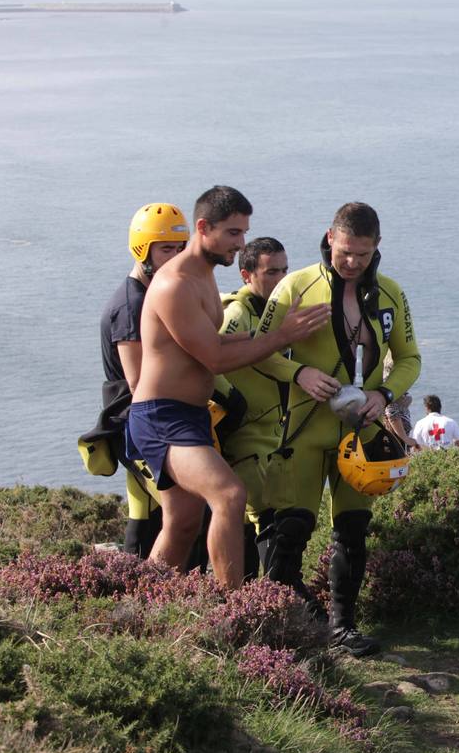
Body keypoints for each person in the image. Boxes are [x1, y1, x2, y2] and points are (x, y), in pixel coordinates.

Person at [128, 186, 330, 588]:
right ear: (203, 228)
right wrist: (280, 337)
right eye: (233, 233)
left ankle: (141, 603)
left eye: (243, 233)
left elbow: (214, 341)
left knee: (183, 523)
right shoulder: (175, 285)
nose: (241, 244)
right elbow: (214, 360)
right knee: (229, 495)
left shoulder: (203, 276)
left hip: (190, 414)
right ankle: (236, 609)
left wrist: (269, 332)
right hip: (160, 417)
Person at [255, 202, 421, 655]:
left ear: (377, 248)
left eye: (362, 255)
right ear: (330, 238)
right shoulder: (296, 285)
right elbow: (261, 350)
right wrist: (298, 374)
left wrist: (382, 396)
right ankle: (284, 625)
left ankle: (343, 627)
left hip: (361, 434)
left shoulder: (389, 294)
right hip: (304, 429)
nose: (351, 262)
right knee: (291, 529)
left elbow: (410, 358)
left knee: (352, 529)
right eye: (344, 252)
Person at [98, 203, 189, 557]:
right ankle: (152, 599)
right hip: (139, 423)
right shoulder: (131, 306)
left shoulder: (154, 293)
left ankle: (139, 588)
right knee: (184, 513)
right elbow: (139, 382)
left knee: (145, 516)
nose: (176, 257)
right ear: (143, 250)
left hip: (145, 421)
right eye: (166, 248)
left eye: (181, 249)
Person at [218, 236, 291, 580]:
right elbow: (209, 359)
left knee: (255, 521)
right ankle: (275, 599)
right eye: (271, 272)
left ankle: (252, 598)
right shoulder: (237, 313)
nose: (281, 279)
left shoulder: (282, 310)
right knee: (267, 516)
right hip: (245, 437)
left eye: (285, 270)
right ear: (247, 275)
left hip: (275, 435)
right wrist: (234, 408)